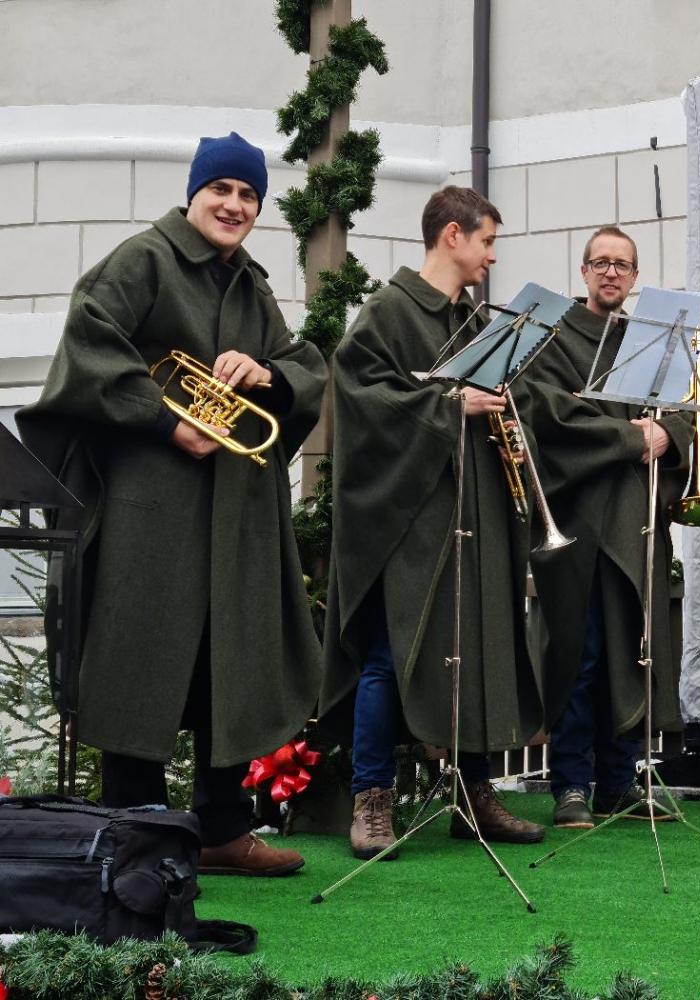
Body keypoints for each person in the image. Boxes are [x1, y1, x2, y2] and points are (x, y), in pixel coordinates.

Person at [18, 132, 327, 874]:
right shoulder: (143, 260)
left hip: (234, 511)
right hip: (150, 506)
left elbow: (302, 365)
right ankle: (140, 838)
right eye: (221, 189)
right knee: (140, 659)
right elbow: (89, 346)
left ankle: (222, 831)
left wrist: (266, 372)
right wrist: (166, 421)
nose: (235, 205)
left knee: (232, 660)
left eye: (249, 194)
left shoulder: (250, 284)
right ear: (194, 193)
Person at [320, 186, 545, 859]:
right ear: (453, 235)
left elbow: (486, 401)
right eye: (486, 242)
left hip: (473, 512)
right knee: (392, 657)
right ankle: (371, 800)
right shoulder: (389, 311)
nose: (491, 256)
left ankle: (473, 795)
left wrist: (504, 415)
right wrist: (450, 404)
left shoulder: (473, 320)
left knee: (470, 646)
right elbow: (361, 401)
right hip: (407, 520)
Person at [520, 226, 692, 829]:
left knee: (632, 650)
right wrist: (629, 437)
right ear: (584, 271)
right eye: (601, 263)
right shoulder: (552, 337)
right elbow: (550, 414)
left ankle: (619, 783)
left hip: (637, 521)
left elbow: (682, 414)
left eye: (622, 265)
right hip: (580, 520)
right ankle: (571, 784)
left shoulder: (652, 343)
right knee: (582, 653)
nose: (611, 273)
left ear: (635, 277)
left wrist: (669, 435)